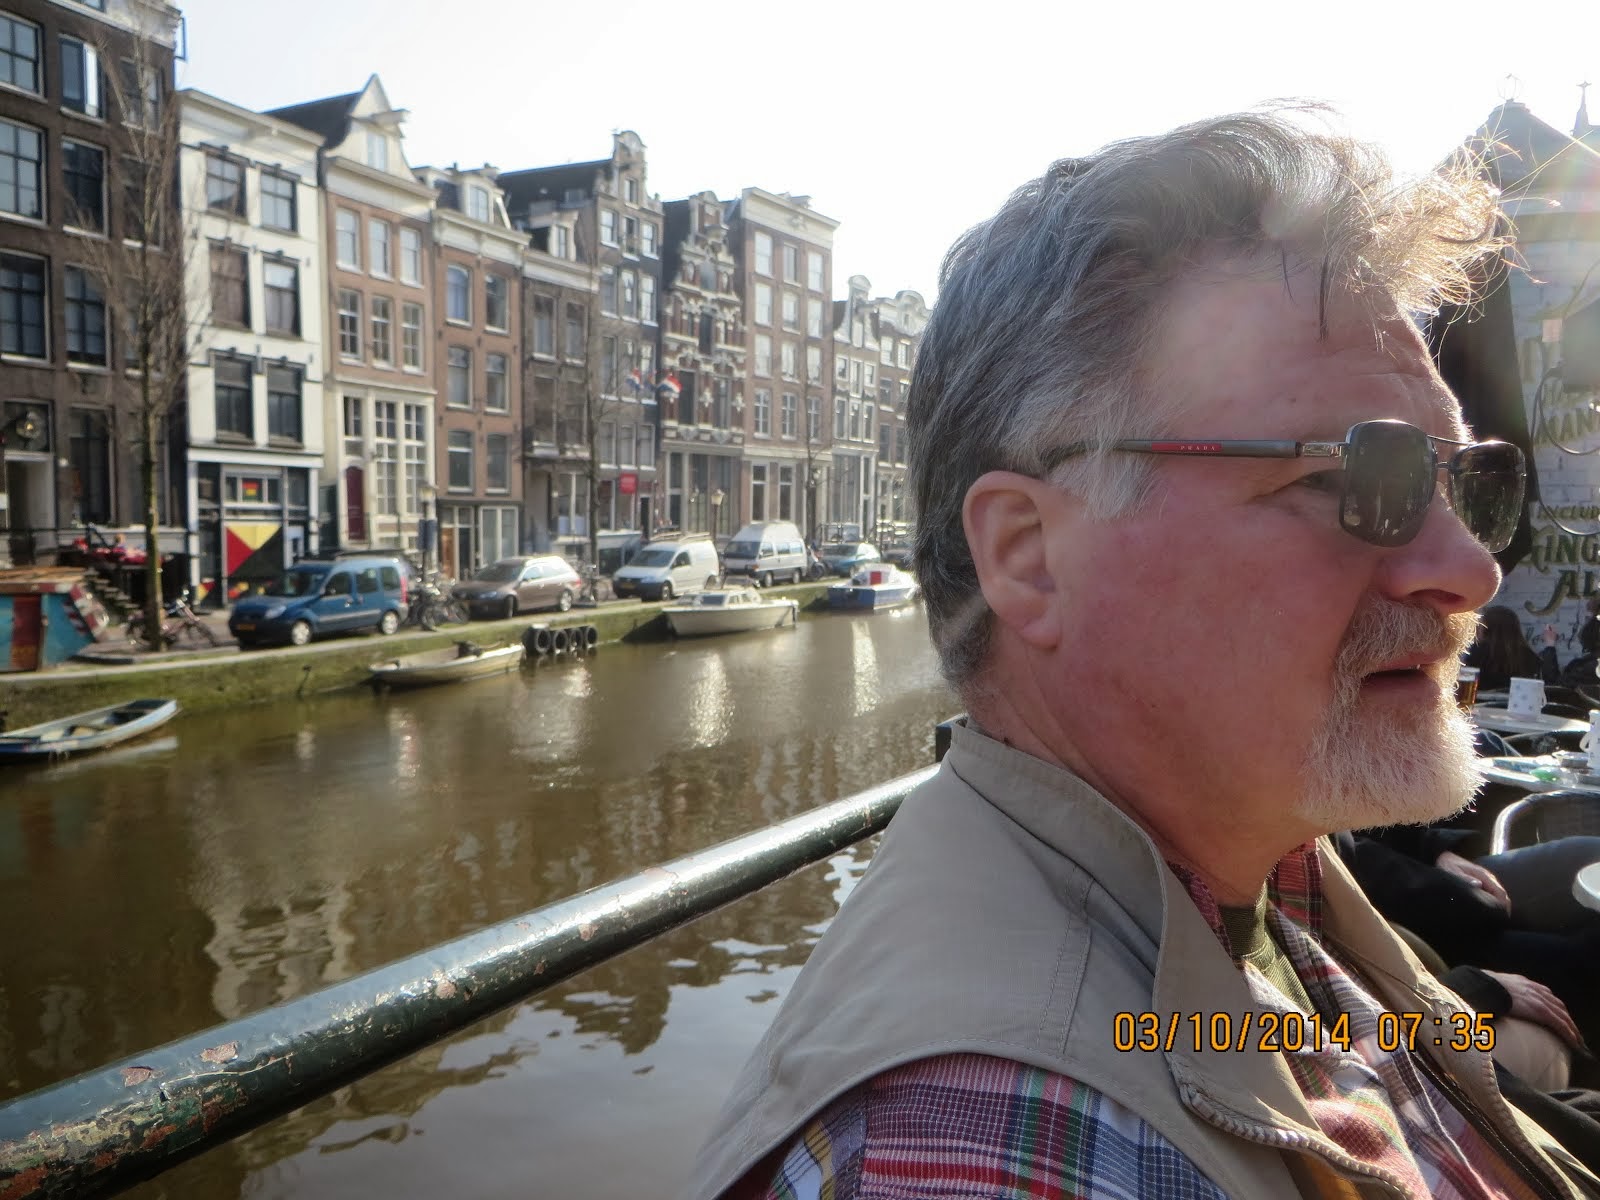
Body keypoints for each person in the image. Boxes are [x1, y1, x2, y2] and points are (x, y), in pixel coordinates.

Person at [689, 112, 1600, 1199]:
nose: (1467, 569)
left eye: (1464, 483)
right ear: (1031, 559)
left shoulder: (1243, 867)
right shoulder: (992, 1154)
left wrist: (1461, 1013)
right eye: (1356, 475)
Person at [1465, 604, 1560, 691]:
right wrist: (1550, 645)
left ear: (1487, 629)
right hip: (1518, 708)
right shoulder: (1529, 657)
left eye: (1479, 626)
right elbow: (1551, 685)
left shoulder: (1478, 653)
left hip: (1482, 707)